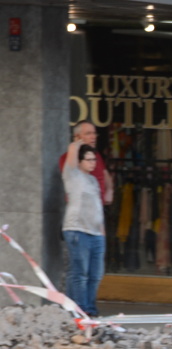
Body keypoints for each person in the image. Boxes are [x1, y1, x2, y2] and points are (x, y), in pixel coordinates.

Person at [61, 140, 105, 316]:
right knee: (80, 273)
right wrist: (79, 141)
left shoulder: (93, 180)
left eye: (94, 159)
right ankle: (81, 309)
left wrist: (102, 233)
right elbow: (72, 151)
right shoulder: (72, 175)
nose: (93, 162)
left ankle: (88, 308)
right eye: (88, 159)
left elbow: (97, 206)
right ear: (79, 162)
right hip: (78, 230)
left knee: (95, 275)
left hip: (96, 233)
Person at [58, 121, 113, 206]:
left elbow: (105, 173)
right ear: (77, 136)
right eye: (88, 133)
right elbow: (70, 177)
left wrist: (109, 189)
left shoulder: (96, 154)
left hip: (98, 206)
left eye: (94, 133)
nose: (93, 137)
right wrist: (75, 148)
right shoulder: (66, 157)